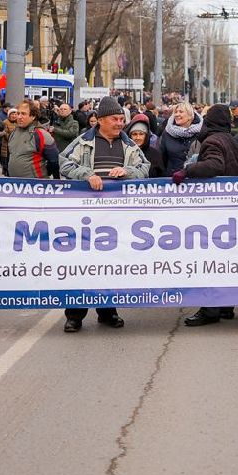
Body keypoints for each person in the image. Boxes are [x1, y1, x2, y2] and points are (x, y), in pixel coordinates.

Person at [58, 96, 148, 332]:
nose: (120, 123)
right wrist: (87, 174)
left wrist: (128, 171)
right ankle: (75, 315)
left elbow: (144, 168)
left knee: (110, 265)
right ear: (101, 120)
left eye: (122, 119)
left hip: (116, 218)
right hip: (86, 218)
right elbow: (63, 163)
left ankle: (107, 311)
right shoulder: (83, 142)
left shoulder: (129, 146)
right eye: (115, 119)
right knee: (82, 266)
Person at [179, 104, 238, 327]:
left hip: (215, 213)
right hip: (231, 211)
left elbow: (214, 165)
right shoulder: (231, 141)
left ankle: (210, 309)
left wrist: (187, 171)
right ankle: (225, 306)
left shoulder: (212, 141)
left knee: (211, 262)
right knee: (226, 261)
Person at [8, 100, 59, 179]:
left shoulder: (41, 134)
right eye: (18, 113)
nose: (19, 117)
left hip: (36, 187)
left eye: (23, 114)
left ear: (33, 116)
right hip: (15, 186)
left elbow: (54, 161)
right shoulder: (14, 132)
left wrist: (56, 184)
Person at [158, 102, 202, 176]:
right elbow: (161, 159)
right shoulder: (167, 133)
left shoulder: (201, 133)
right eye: (176, 112)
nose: (177, 114)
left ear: (190, 116)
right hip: (172, 181)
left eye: (181, 112)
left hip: (195, 180)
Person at [127, 113, 166, 178]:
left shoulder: (155, 154)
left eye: (141, 134)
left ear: (146, 136)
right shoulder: (125, 152)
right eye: (134, 134)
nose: (138, 137)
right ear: (130, 136)